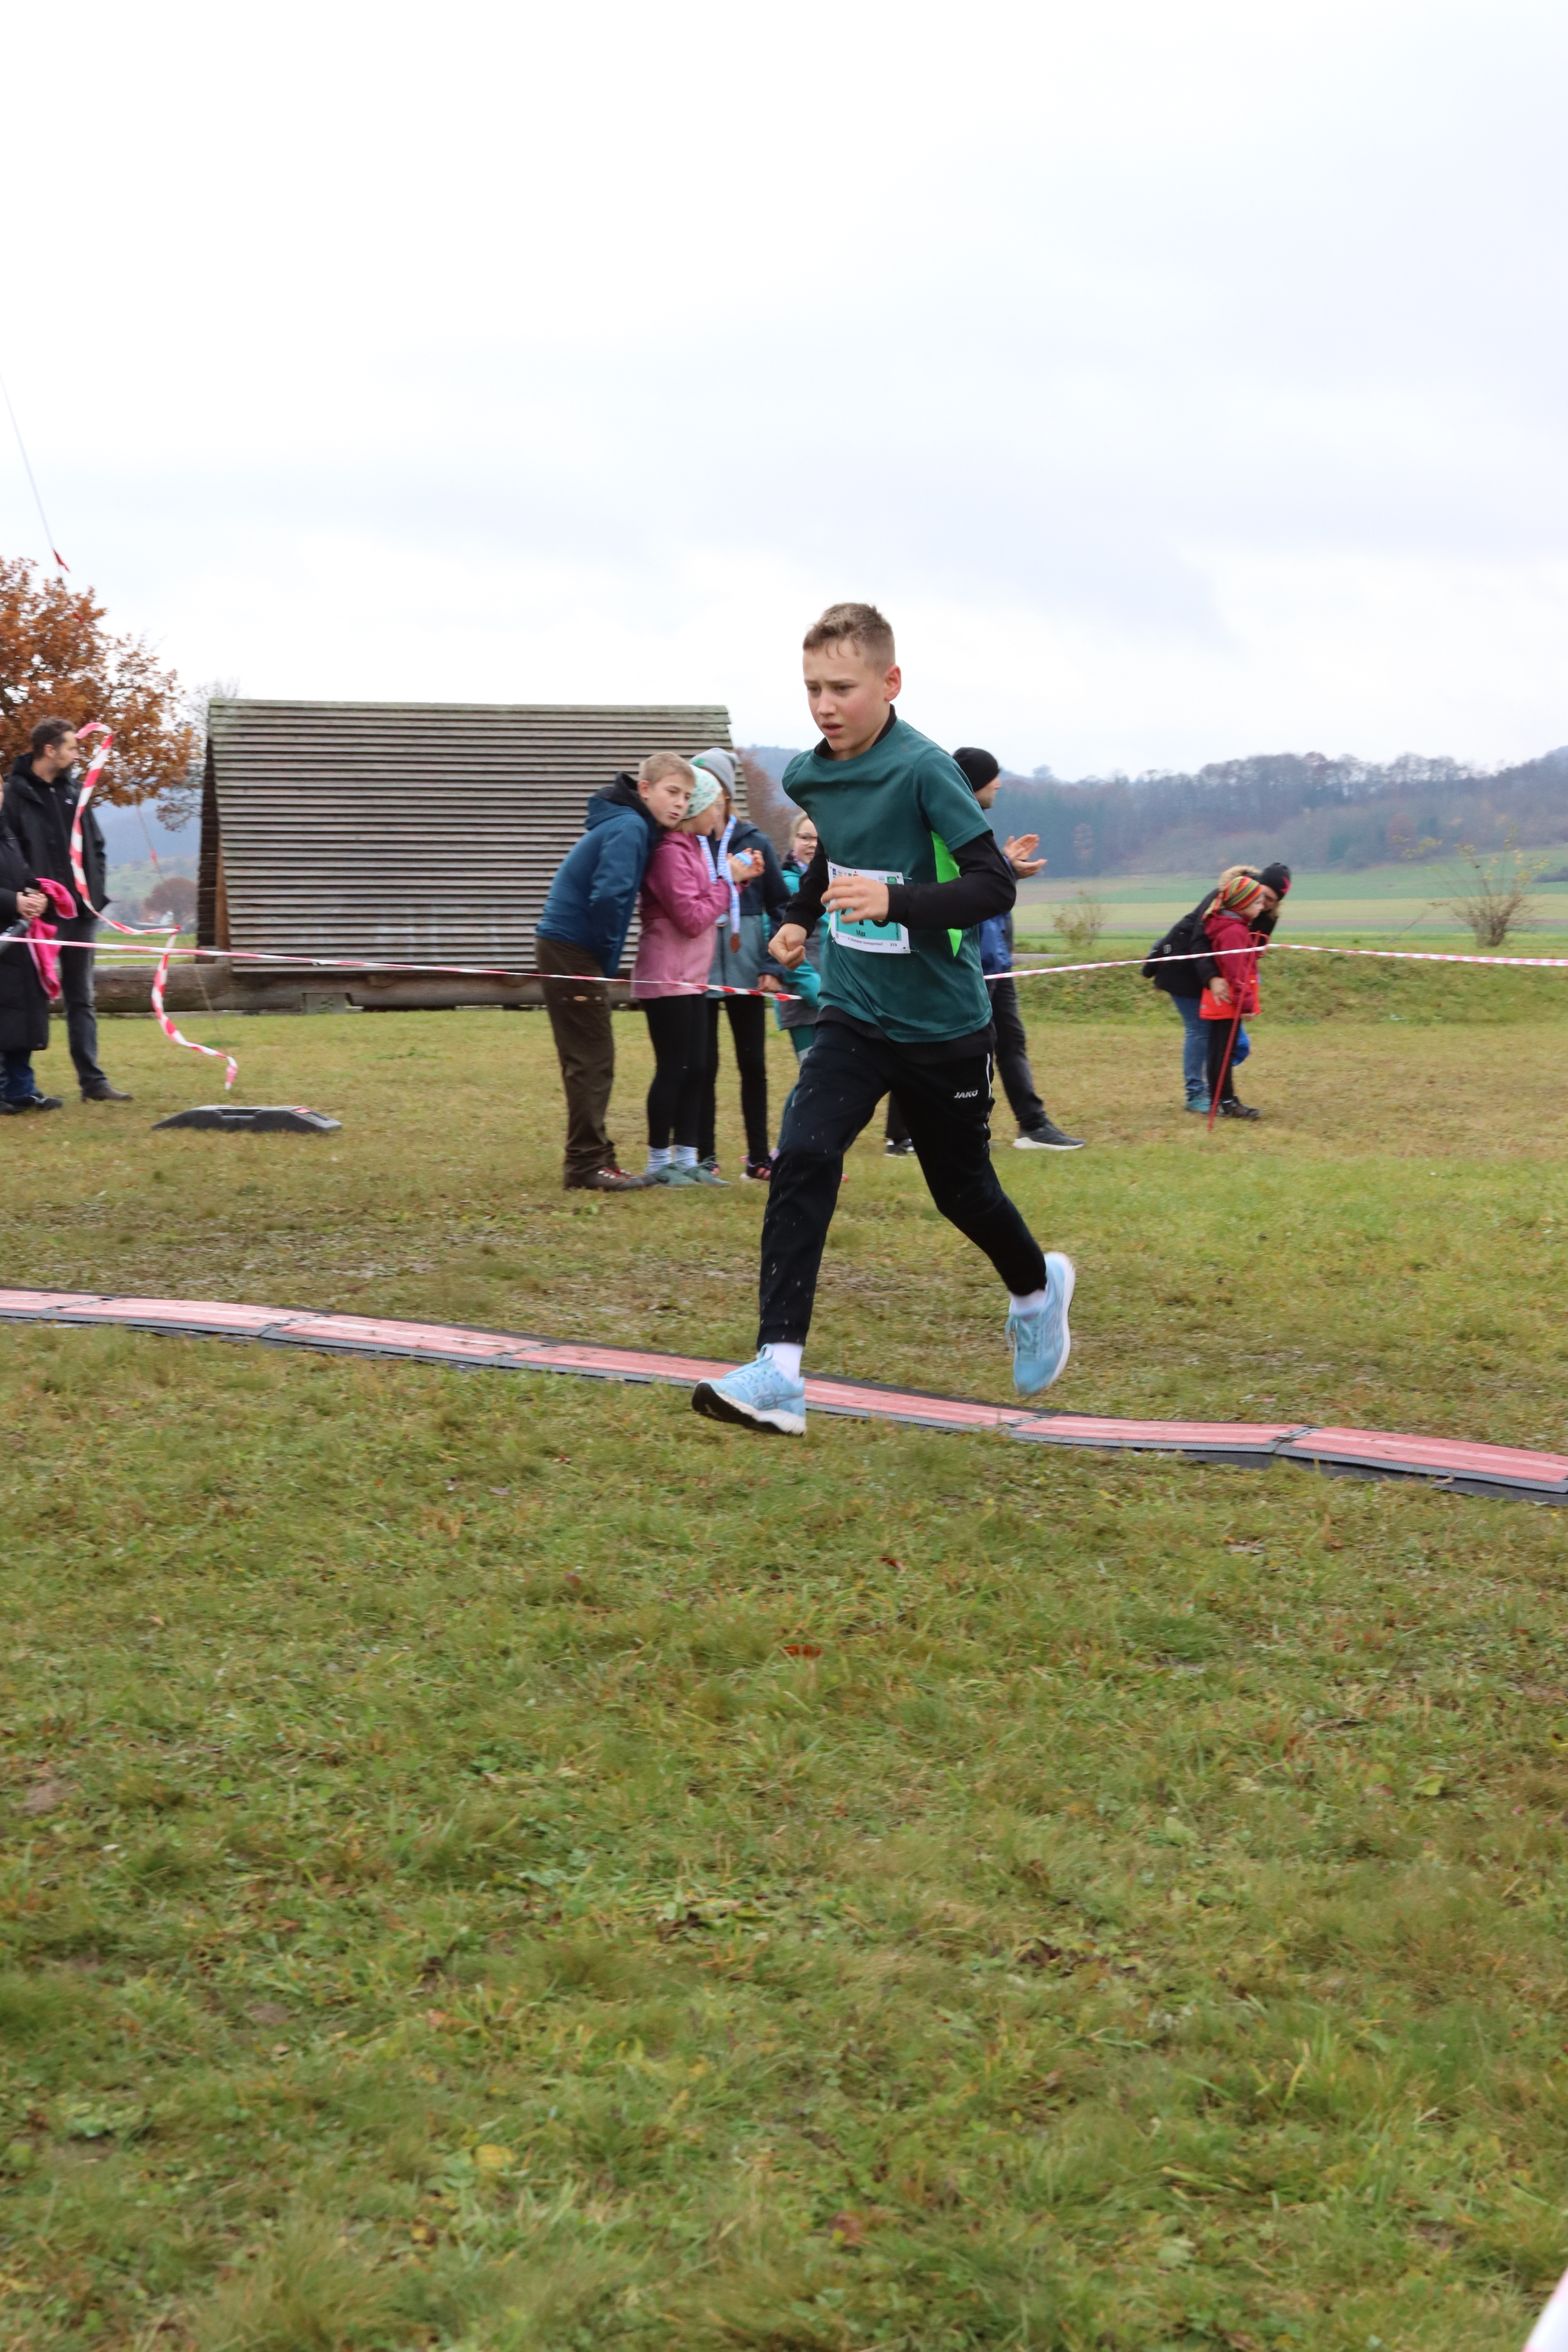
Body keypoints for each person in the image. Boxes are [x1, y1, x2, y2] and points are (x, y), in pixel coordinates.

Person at [691, 602, 1074, 1437]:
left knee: (961, 1192)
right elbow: (834, 853)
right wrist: (800, 916)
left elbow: (991, 886)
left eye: (842, 687)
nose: (824, 705)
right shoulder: (811, 774)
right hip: (853, 1012)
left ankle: (1036, 1288)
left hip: (942, 1026)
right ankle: (778, 1372)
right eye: (811, 688)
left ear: (890, 682)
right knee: (804, 1154)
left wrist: (894, 902)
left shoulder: (926, 771)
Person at [534, 751, 694, 1191]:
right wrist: (606, 957)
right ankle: (586, 1165)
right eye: (672, 792)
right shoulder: (630, 827)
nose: (680, 803)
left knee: (590, 1056)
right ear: (645, 789)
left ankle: (596, 1157)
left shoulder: (632, 824)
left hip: (568, 947)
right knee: (591, 1058)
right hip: (572, 948)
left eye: (686, 796)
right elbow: (609, 896)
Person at [631, 766, 763, 1185]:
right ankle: (658, 1164)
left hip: (693, 977)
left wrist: (735, 883)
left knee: (697, 1067)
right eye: (715, 805)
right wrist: (729, 882)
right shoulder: (669, 853)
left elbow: (709, 899)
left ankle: (688, 1161)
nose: (720, 814)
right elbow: (691, 918)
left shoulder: (691, 848)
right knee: (674, 1067)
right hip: (666, 976)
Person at [953, 746, 1085, 1152]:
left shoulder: (977, 825)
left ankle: (1032, 1125)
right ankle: (962, 1130)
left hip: (998, 958)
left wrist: (1007, 866)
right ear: (975, 782)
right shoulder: (954, 824)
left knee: (1011, 1041)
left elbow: (983, 882)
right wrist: (1006, 868)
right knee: (971, 1048)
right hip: (973, 959)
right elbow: (964, 887)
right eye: (992, 776)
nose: (998, 784)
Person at [2, 718, 130, 1102]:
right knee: (21, 998)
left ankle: (93, 1083)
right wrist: (29, 899)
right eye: (72, 747)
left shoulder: (76, 792)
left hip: (81, 915)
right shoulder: (14, 794)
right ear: (50, 749)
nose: (77, 754)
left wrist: (94, 896)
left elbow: (96, 846)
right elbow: (10, 853)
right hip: (36, 917)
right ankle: (19, 1087)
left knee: (82, 998)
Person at [691, 750, 792, 1181]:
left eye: (709, 785)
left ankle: (758, 1158)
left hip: (747, 968)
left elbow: (782, 907)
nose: (700, 793)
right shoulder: (686, 841)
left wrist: (773, 964)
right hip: (698, 969)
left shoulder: (755, 841)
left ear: (726, 793)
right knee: (702, 1065)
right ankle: (704, 1157)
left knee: (752, 1063)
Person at [1143, 861, 1290, 1111]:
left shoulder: (1265, 914)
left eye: (1272, 901)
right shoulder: (1222, 898)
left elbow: (1250, 951)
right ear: (1256, 885)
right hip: (1184, 964)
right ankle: (1196, 1094)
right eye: (1264, 896)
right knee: (1200, 1031)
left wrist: (1246, 985)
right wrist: (1212, 978)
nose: (1265, 904)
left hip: (1220, 974)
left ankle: (1217, 1091)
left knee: (1234, 1043)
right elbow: (1199, 941)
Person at [1199, 868, 1280, 1119]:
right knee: (1223, 1053)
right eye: (1257, 903)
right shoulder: (1234, 931)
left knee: (1219, 1051)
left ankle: (1221, 1099)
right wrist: (1247, 1004)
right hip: (1228, 1001)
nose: (1262, 907)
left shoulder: (1232, 926)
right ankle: (1227, 1101)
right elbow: (1236, 972)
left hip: (1224, 999)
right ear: (1242, 904)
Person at [0, 821, 61, 1112]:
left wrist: (38, 899)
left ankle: (21, 1090)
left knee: (18, 1021)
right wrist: (13, 901)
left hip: (17, 943)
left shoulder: (8, 835)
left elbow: (24, 876)